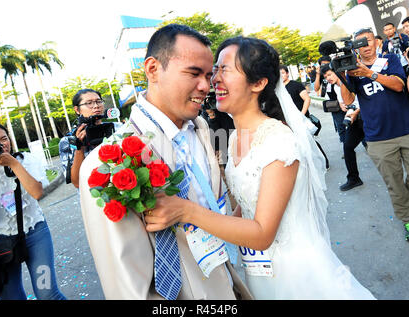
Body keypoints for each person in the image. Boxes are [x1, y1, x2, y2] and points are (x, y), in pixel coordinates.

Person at [146, 36, 376, 300]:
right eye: (216, 70)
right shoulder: (233, 138)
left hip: (296, 276)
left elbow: (263, 233)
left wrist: (187, 212)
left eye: (226, 70)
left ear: (258, 83)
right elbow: (246, 206)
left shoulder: (279, 140)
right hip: (259, 274)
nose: (214, 80)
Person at [78, 24, 252, 300]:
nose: (206, 86)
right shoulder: (108, 163)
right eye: (193, 73)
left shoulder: (202, 129)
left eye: (209, 75)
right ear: (152, 69)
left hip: (229, 282)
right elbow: (128, 288)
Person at [0, 121, 66, 300]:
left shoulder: (24, 160)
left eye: (4, 139)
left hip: (35, 234)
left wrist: (13, 164)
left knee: (47, 294)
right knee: (10, 298)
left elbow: (37, 193)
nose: (1, 145)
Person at [340, 28, 409, 241]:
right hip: (377, 138)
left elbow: (398, 85)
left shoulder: (390, 59)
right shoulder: (352, 69)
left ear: (375, 41)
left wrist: (370, 74)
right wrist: (343, 76)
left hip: (407, 129)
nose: (364, 47)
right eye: (359, 44)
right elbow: (348, 101)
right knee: (393, 181)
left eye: (367, 41)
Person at [58, 89, 119, 188]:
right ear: (77, 110)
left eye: (99, 101)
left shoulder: (117, 128)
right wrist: (79, 148)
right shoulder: (68, 141)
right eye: (89, 103)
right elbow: (77, 183)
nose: (96, 106)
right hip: (92, 195)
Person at [321, 64, 366, 191]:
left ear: (337, 72)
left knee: (375, 148)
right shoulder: (335, 87)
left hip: (367, 117)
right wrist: (344, 107)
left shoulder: (349, 81)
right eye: (325, 77)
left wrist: (354, 111)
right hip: (354, 119)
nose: (328, 78)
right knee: (347, 147)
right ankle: (354, 179)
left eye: (329, 74)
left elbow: (362, 100)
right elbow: (348, 103)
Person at [280, 65, 329, 169]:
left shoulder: (295, 85)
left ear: (287, 73)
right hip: (288, 121)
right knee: (297, 143)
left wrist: (301, 114)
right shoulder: (278, 89)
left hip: (301, 118)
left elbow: (307, 99)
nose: (281, 76)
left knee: (309, 141)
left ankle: (324, 161)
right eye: (279, 74)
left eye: (283, 73)